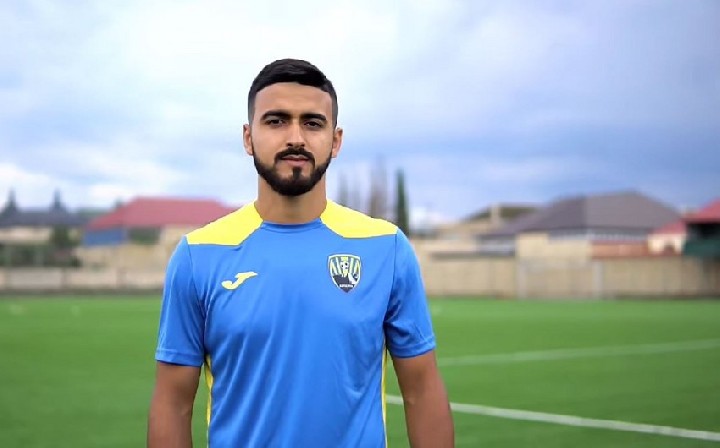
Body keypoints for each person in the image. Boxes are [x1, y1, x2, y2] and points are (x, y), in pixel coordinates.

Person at [147, 58, 454, 447]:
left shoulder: (386, 249)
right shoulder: (199, 256)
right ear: (248, 138)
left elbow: (422, 390)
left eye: (312, 123)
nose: (296, 137)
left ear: (336, 141)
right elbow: (173, 404)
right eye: (276, 121)